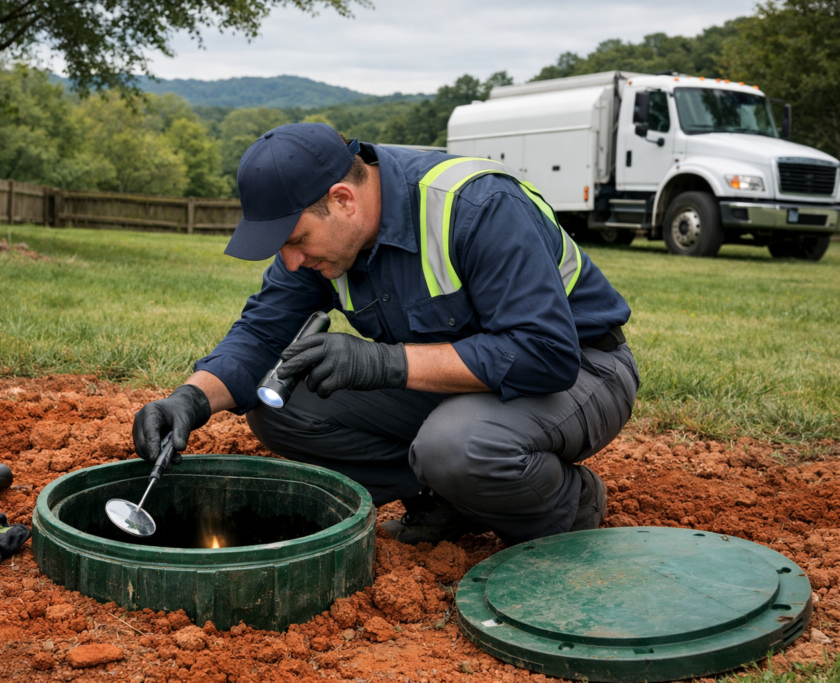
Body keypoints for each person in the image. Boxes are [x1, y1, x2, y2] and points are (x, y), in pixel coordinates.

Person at [132, 122, 638, 546]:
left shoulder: (477, 206)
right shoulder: (323, 238)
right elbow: (262, 334)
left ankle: (570, 506)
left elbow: (543, 354)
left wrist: (384, 364)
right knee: (277, 402)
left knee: (457, 446)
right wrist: (189, 401)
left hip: (581, 368)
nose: (291, 261)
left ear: (343, 199)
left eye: (296, 240)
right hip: (463, 384)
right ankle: (450, 501)